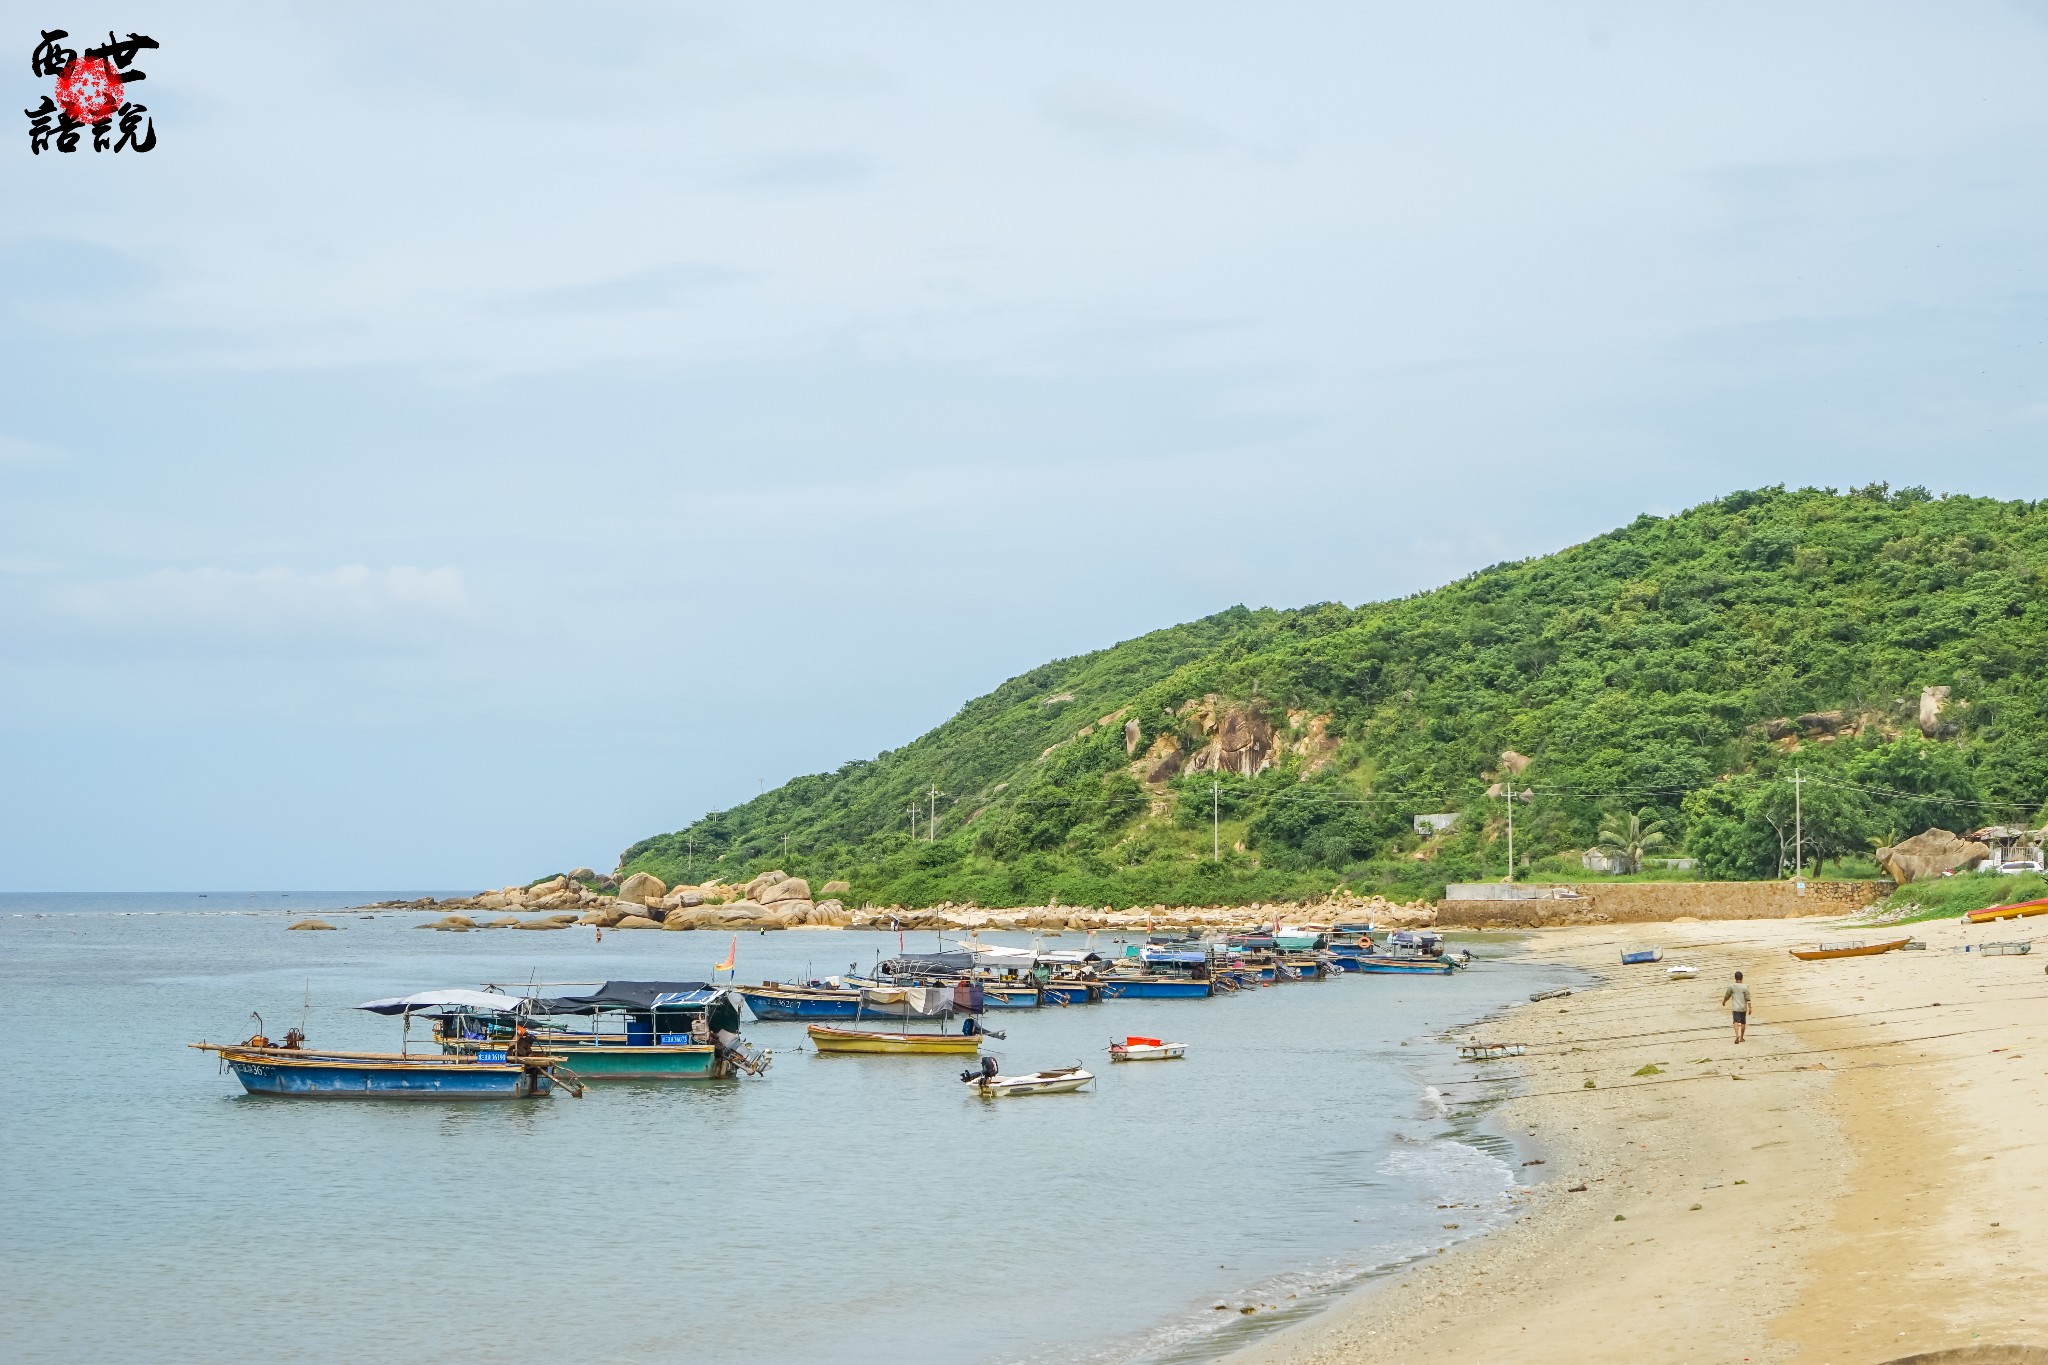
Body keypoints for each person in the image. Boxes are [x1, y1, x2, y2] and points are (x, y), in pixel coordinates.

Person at [1722, 971, 1752, 1043]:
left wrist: (1724, 1001)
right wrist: (1750, 1008)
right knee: (1743, 1022)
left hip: (1735, 1008)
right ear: (1742, 978)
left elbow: (1727, 996)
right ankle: (1741, 1037)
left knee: (1735, 1021)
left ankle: (1736, 1035)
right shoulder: (1745, 987)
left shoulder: (1731, 987)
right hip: (1743, 1008)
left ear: (1735, 978)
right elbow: (1748, 998)